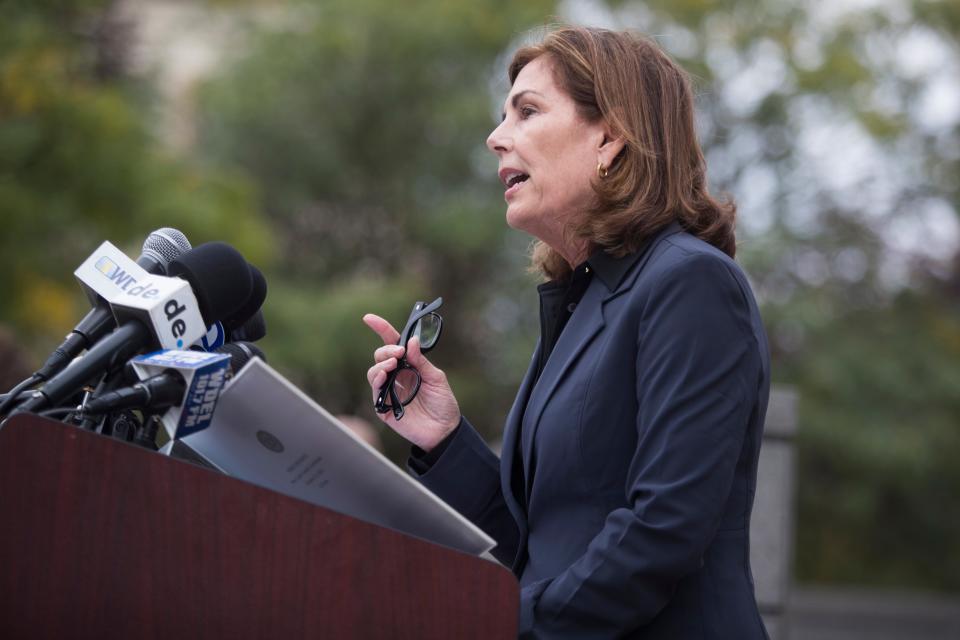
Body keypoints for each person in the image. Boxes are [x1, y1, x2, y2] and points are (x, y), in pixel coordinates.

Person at [363, 25, 770, 639]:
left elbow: (664, 530)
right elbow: (541, 548)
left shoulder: (690, 283)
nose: (496, 138)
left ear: (610, 136)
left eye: (527, 112)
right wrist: (444, 439)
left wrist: (498, 624)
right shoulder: (586, 300)